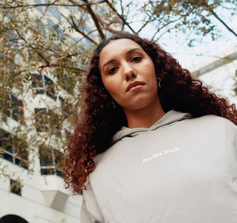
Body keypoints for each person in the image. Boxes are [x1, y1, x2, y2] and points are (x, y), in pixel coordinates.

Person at [64, 33, 237, 223]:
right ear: (104, 91)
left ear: (157, 67)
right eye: (113, 69)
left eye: (136, 59)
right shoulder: (97, 172)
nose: (128, 71)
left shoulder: (221, 131)